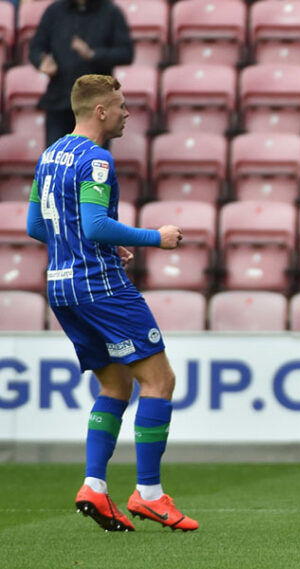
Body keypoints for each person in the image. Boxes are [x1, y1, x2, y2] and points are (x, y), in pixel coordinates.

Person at [25, 74, 196, 532]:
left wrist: (88, 243)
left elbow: (36, 226)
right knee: (159, 381)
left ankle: (95, 486)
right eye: (120, 106)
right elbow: (97, 225)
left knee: (115, 385)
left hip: (61, 287)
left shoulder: (50, 155)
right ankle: (149, 494)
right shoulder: (96, 160)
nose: (126, 114)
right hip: (101, 288)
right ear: (100, 111)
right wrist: (155, 237)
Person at [28, 0, 134, 146]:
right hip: (59, 101)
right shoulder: (54, 11)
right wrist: (43, 62)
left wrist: (93, 55)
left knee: (93, 157)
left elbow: (126, 53)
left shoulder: (111, 12)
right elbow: (36, 48)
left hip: (97, 105)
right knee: (57, 157)